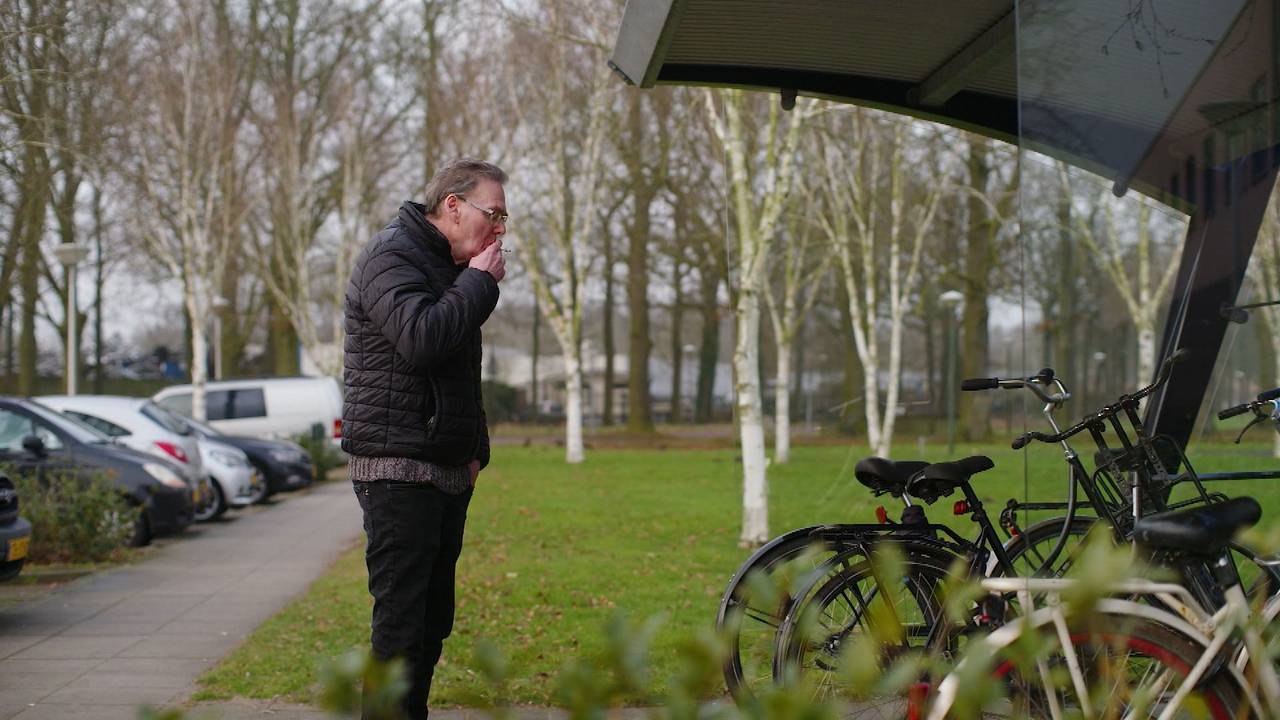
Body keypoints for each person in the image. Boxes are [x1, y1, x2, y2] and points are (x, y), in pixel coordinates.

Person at [341, 157, 508, 719]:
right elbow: (423, 340)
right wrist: (481, 283)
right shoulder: (392, 255)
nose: (501, 228)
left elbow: (460, 368)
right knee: (401, 629)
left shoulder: (443, 267)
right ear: (453, 205)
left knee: (431, 624)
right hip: (396, 470)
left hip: (444, 470)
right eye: (495, 213)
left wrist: (475, 449)